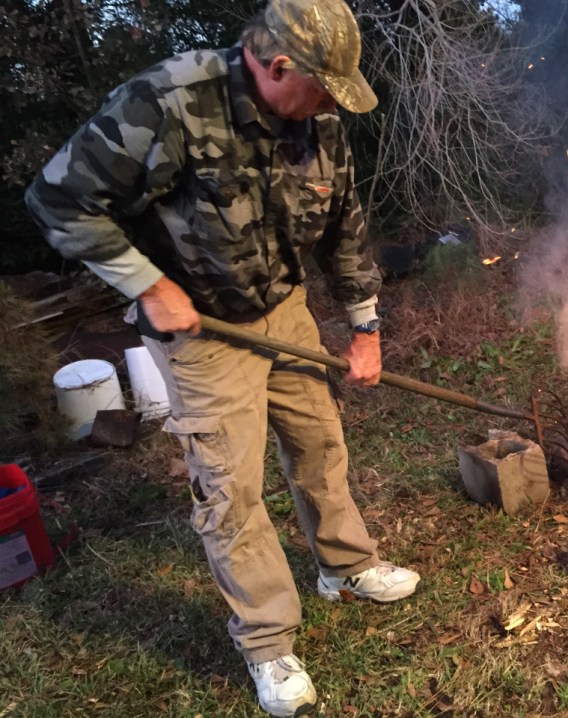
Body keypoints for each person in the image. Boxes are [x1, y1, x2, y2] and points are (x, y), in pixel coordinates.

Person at [25, 0, 420, 714]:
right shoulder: (169, 102)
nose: (332, 102)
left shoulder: (317, 116)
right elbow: (58, 200)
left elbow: (345, 225)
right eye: (324, 86)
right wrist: (147, 285)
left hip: (284, 311)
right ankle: (269, 643)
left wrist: (364, 325)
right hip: (203, 333)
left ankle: (345, 566)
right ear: (277, 68)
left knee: (319, 442)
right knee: (231, 490)